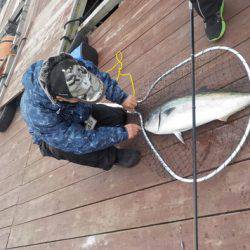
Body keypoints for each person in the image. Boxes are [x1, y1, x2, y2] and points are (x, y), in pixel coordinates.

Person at [20, 39, 141, 171]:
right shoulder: (37, 113)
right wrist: (122, 133)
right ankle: (114, 156)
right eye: (81, 96)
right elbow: (80, 141)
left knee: (118, 116)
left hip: (77, 111)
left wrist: (122, 97)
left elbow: (98, 76)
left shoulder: (71, 66)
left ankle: (94, 124)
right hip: (55, 136)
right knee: (72, 148)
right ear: (60, 97)